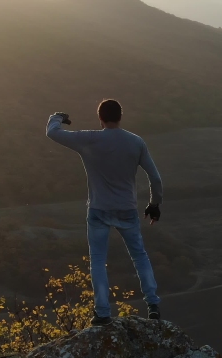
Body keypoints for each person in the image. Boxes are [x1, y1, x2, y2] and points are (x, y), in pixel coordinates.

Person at [46, 99, 163, 325]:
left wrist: (58, 117)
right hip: (127, 209)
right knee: (140, 256)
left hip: (99, 209)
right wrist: (154, 203)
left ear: (100, 118)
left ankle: (102, 313)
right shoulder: (136, 142)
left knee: (98, 260)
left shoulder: (90, 139)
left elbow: (53, 132)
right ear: (120, 117)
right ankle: (153, 305)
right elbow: (155, 178)